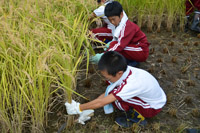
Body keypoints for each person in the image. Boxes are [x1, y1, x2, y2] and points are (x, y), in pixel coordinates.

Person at [65, 51, 167, 128]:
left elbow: (103, 101)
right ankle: (134, 109)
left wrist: (79, 108)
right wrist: (87, 108)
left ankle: (138, 118)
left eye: (107, 77)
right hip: (153, 97)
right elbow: (107, 93)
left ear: (119, 73)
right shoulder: (126, 71)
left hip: (152, 107)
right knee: (114, 95)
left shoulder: (130, 84)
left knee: (117, 100)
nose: (105, 80)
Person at [90, 1, 150, 67]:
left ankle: (132, 63)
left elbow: (120, 46)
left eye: (113, 19)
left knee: (117, 48)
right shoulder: (119, 23)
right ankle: (129, 61)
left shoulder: (127, 27)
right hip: (133, 48)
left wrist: (104, 55)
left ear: (121, 14)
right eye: (110, 20)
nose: (112, 22)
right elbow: (116, 40)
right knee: (113, 45)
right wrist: (110, 44)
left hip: (141, 51)